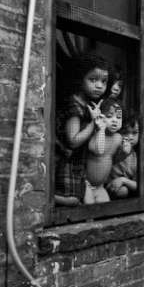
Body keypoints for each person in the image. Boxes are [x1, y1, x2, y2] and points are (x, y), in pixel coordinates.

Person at [54, 53, 110, 206]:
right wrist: (94, 123)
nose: (99, 85)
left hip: (77, 164)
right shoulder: (74, 105)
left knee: (81, 199)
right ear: (79, 79)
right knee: (72, 200)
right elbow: (73, 141)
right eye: (93, 80)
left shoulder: (86, 104)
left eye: (104, 81)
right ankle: (44, 199)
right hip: (67, 162)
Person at [84, 98, 130, 204]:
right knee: (89, 209)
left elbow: (114, 160)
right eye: (109, 116)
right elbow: (99, 150)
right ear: (101, 117)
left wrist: (124, 153)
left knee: (104, 208)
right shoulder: (95, 134)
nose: (115, 120)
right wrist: (101, 129)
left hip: (100, 186)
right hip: (87, 184)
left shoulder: (118, 138)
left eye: (119, 117)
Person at [107, 111, 139, 199]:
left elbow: (140, 186)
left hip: (124, 187)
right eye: (125, 132)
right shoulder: (113, 149)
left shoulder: (136, 157)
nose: (130, 137)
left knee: (124, 191)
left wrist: (123, 180)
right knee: (123, 191)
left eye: (134, 133)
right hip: (107, 187)